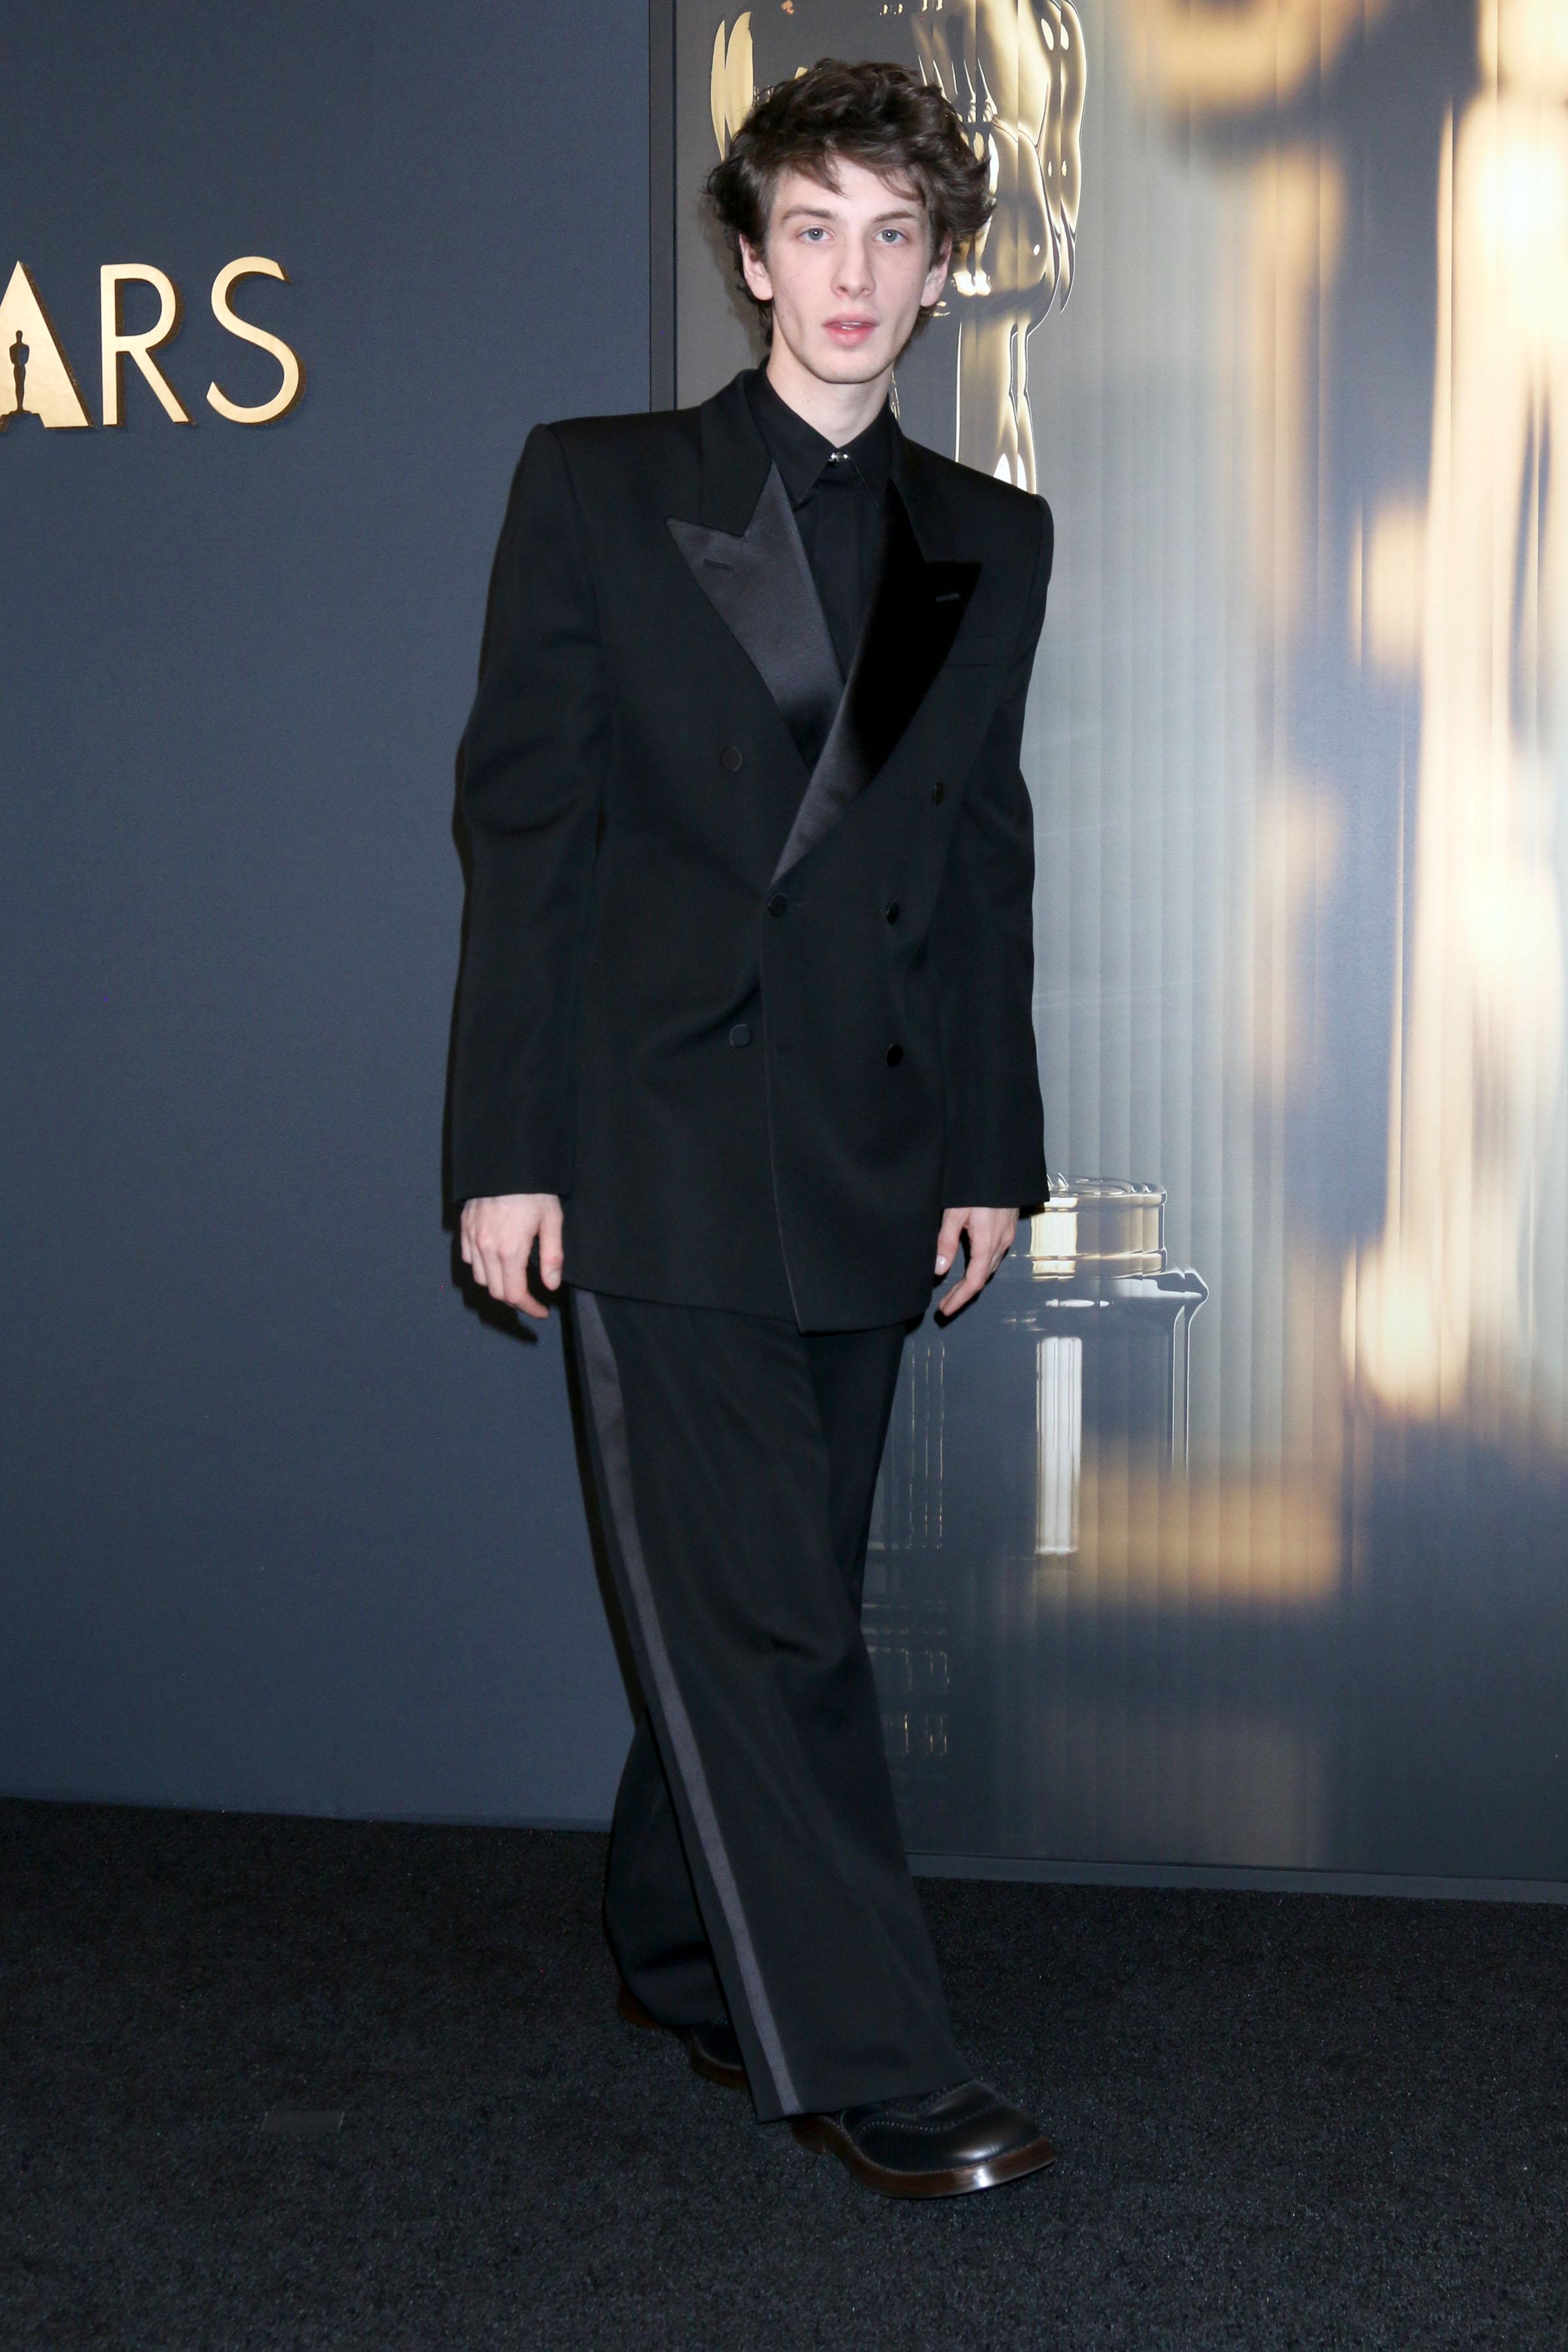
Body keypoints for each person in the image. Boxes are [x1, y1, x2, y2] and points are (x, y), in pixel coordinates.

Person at [451, 57, 1056, 2199]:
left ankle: (675, 1945)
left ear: (944, 269)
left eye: (896, 234)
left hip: (874, 1155)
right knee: (779, 1631)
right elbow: (527, 840)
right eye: (815, 229)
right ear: (749, 256)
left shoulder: (994, 536)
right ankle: (873, 2058)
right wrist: (504, 1149)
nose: (853, 274)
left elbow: (979, 859)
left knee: (762, 1592)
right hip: (660, 1141)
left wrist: (992, 1151)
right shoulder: (601, 487)